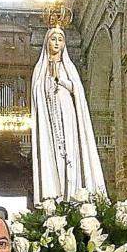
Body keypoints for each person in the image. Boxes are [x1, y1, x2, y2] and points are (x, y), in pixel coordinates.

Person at [30, 26, 107, 203]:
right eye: (53, 39)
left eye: (60, 40)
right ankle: (56, 196)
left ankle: (73, 193)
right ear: (46, 42)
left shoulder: (69, 67)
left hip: (68, 115)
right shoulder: (40, 68)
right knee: (54, 155)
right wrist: (47, 86)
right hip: (50, 119)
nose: (56, 43)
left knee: (71, 154)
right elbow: (36, 94)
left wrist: (63, 82)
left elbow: (78, 90)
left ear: (64, 44)